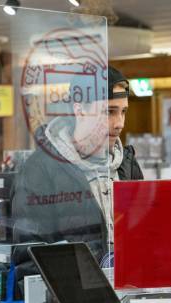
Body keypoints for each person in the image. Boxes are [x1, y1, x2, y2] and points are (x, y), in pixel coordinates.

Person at [11, 66, 143, 286]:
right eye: (109, 111)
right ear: (80, 109)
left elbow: (147, 237)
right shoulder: (40, 170)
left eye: (123, 111)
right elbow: (29, 264)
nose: (120, 123)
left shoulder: (127, 165)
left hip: (131, 297)